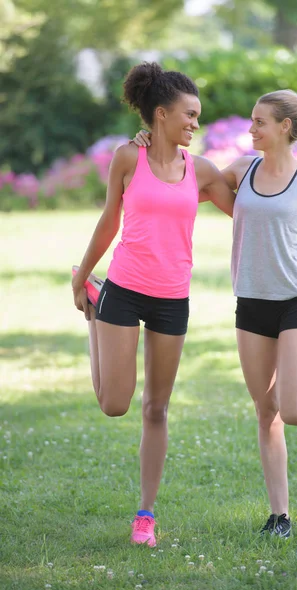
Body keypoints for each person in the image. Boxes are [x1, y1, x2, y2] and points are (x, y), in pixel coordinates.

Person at [133, 87, 297, 539]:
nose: (250, 129)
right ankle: (279, 515)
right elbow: (191, 184)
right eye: (250, 121)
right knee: (265, 411)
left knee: (295, 411)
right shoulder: (243, 170)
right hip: (250, 304)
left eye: (259, 122)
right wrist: (150, 147)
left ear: (285, 127)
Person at [72, 61, 237, 548]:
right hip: (122, 287)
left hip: (172, 299)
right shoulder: (128, 157)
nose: (196, 124)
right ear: (160, 114)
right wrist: (82, 277)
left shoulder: (200, 170)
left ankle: (145, 514)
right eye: (189, 115)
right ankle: (94, 311)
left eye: (199, 117)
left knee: (156, 409)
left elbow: (249, 200)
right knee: (114, 404)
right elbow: (108, 222)